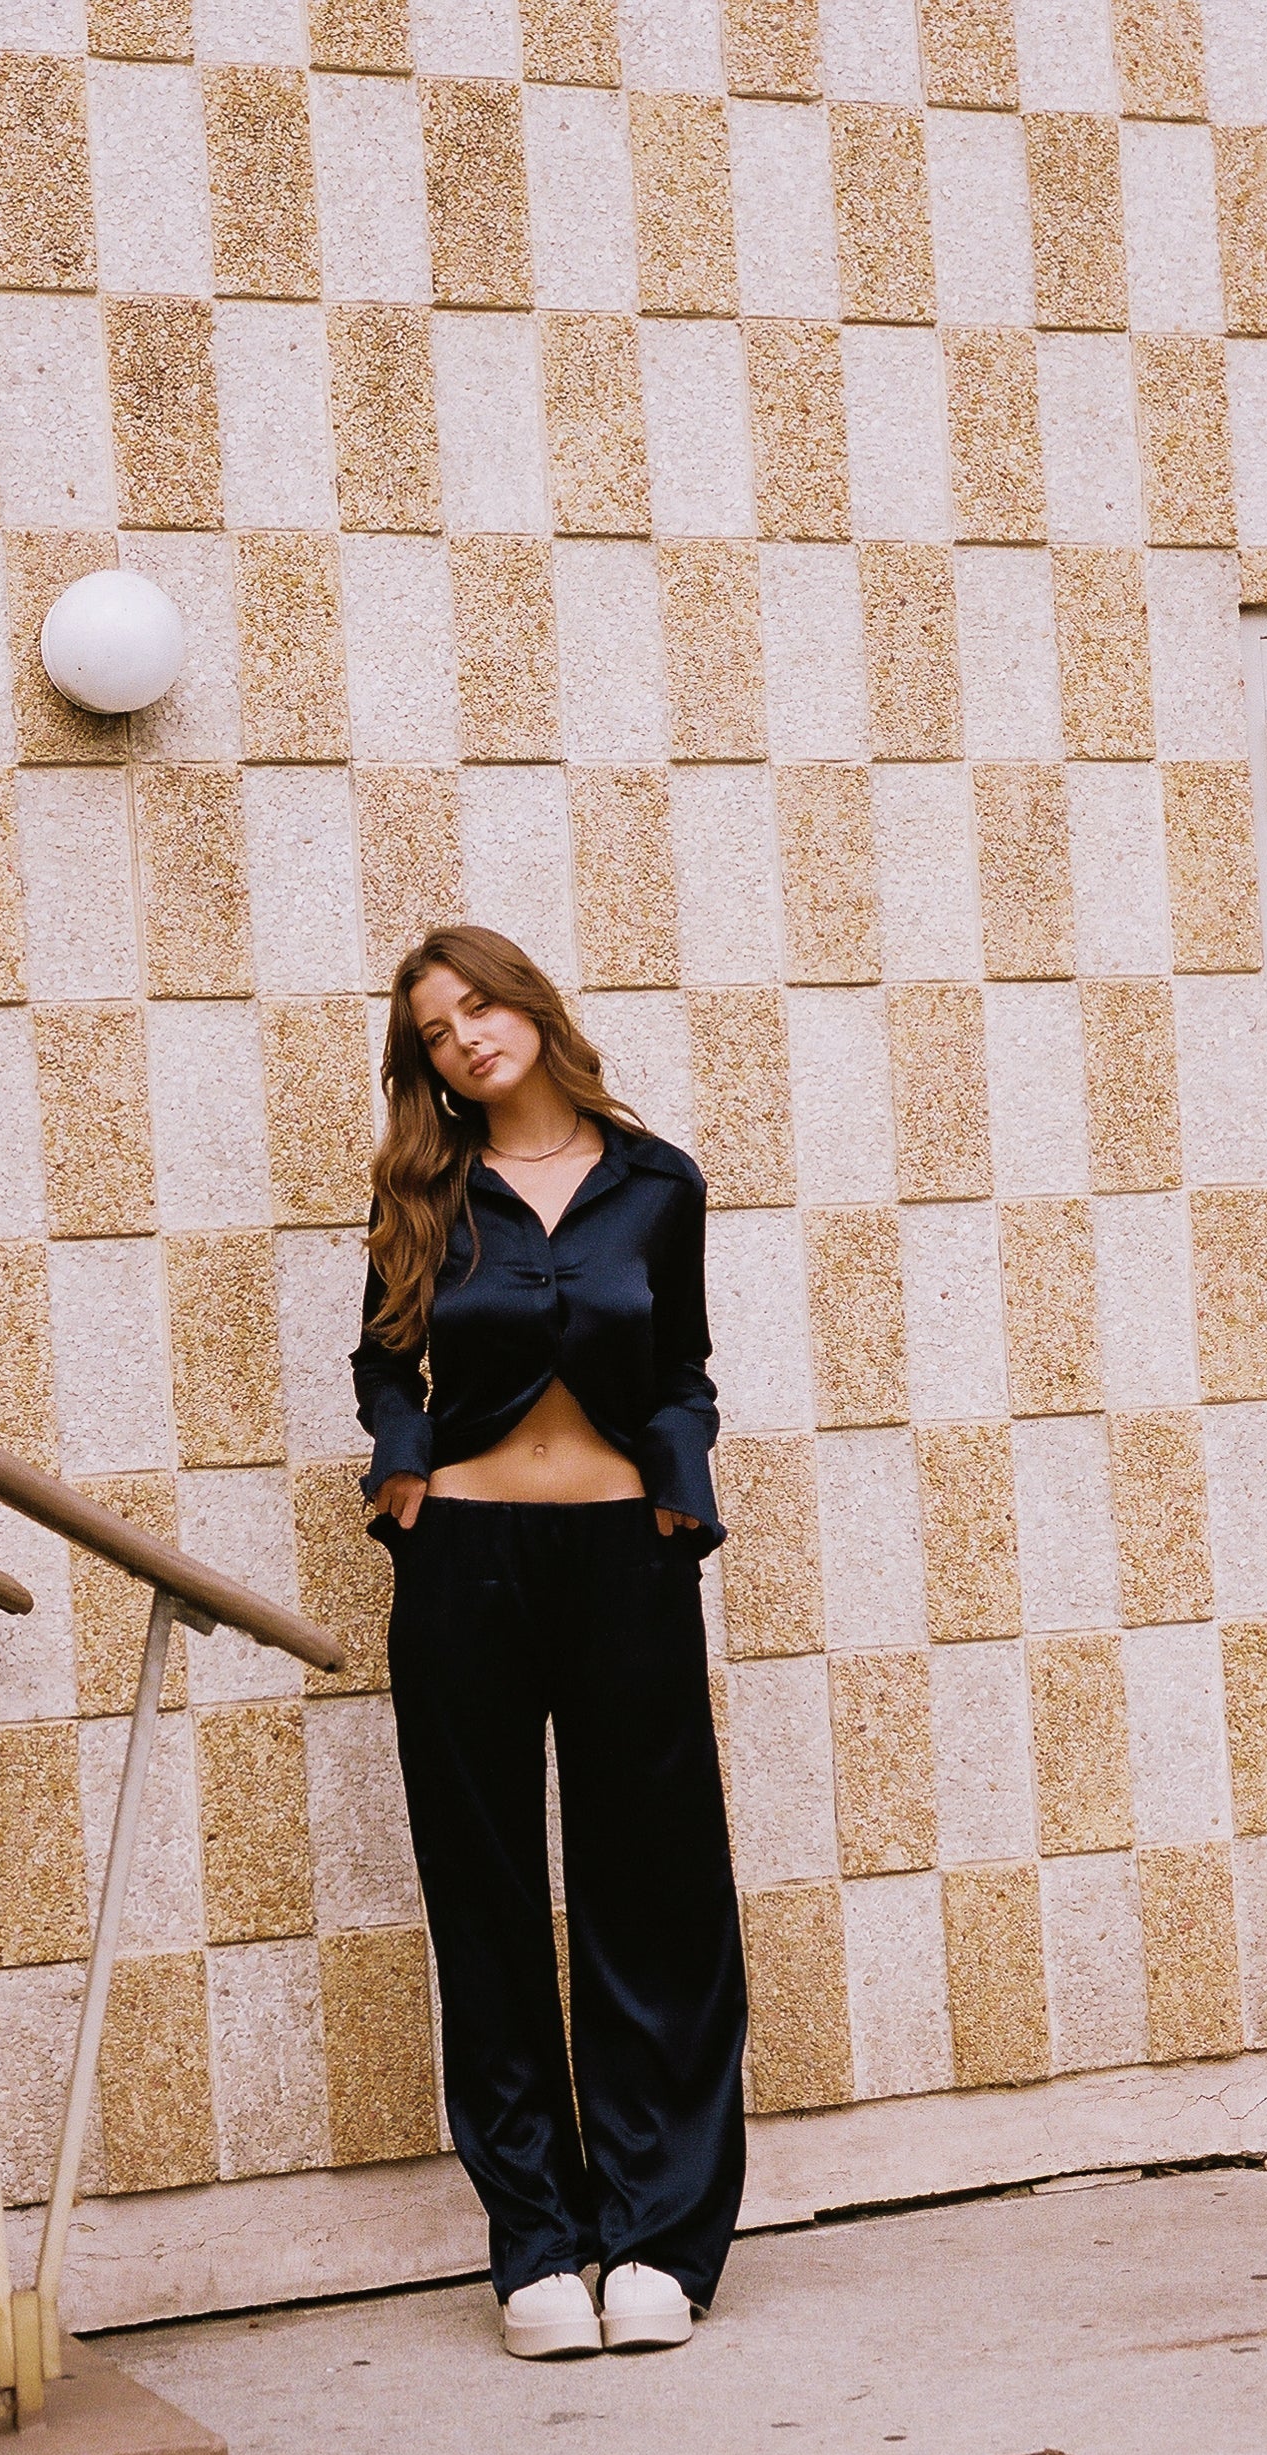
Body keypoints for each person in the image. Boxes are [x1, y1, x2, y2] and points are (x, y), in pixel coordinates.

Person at [352, 925, 746, 2361]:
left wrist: (680, 1478)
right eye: (435, 1026)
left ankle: (658, 2233)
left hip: (621, 1558)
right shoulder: (425, 1188)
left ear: (530, 1006)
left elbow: (682, 1365)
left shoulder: (656, 1184)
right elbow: (386, 1357)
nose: (465, 1034)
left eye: (481, 1003)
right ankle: (534, 2239)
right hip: (462, 1562)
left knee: (655, 1892)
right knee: (488, 1896)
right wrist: (399, 1460)